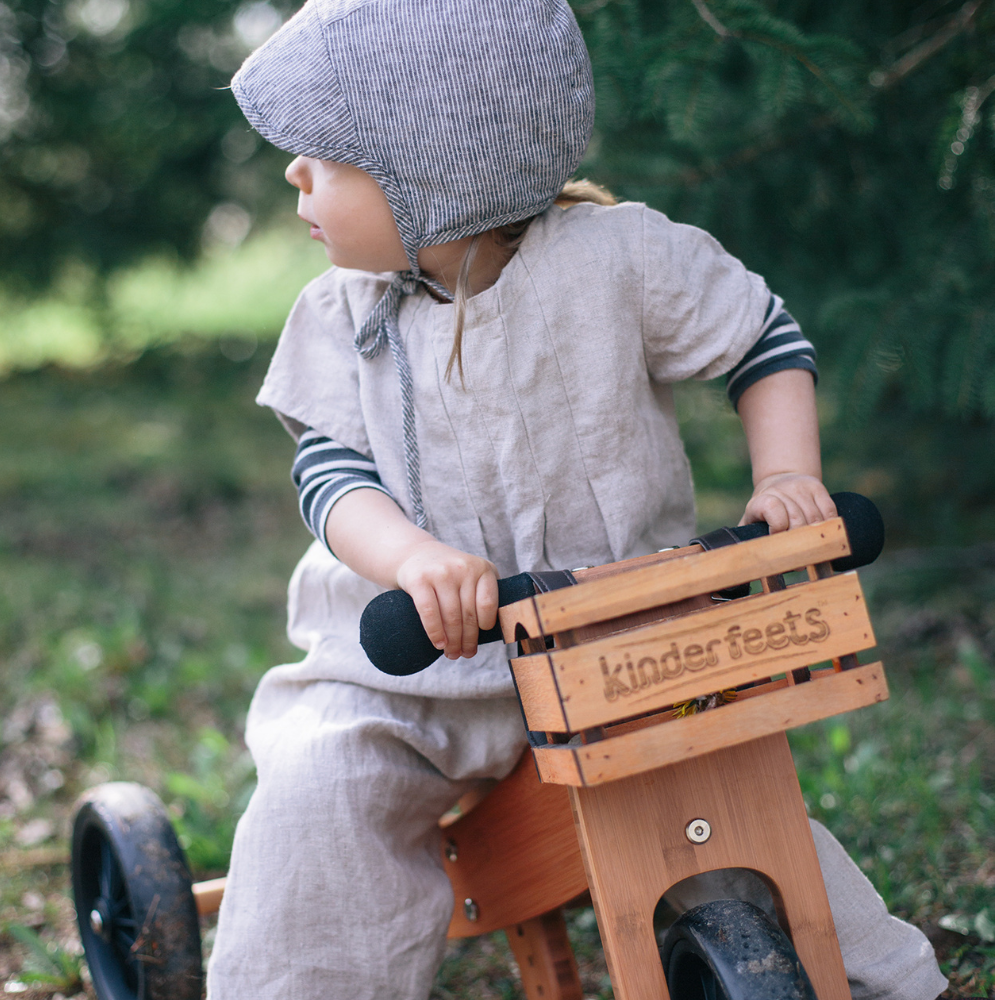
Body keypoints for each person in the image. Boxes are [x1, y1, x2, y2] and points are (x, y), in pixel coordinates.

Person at [206, 2, 947, 998]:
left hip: (618, 632)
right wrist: (412, 561)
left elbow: (761, 341)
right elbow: (330, 476)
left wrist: (783, 476)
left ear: (434, 166)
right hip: (407, 658)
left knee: (715, 791)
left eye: (326, 157)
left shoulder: (617, 257)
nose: (295, 174)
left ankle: (869, 974)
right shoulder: (339, 314)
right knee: (321, 786)